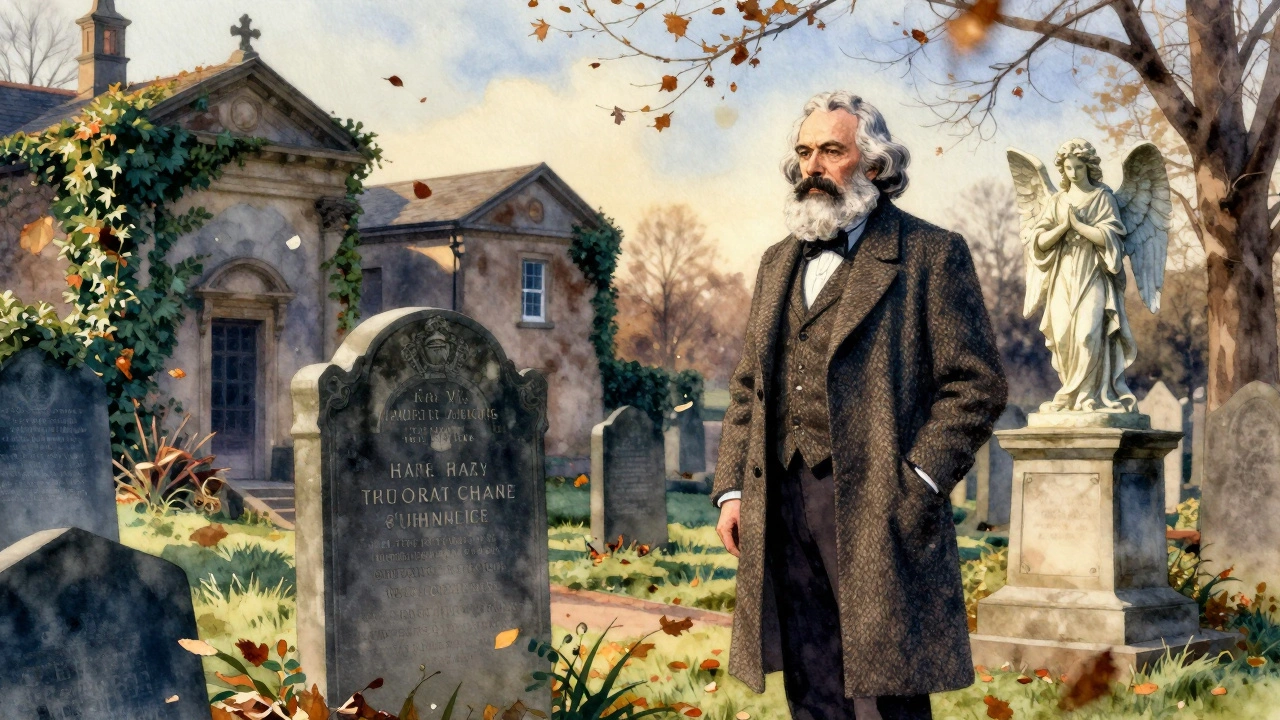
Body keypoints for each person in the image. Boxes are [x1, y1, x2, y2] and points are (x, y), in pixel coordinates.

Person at [711, 91, 1008, 720]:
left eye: (830, 151)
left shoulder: (930, 253)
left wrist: (919, 479)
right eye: (804, 152)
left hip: (879, 500)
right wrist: (734, 489)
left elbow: (976, 384)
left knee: (884, 691)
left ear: (873, 164)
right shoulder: (776, 261)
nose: (812, 166)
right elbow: (748, 385)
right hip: (783, 497)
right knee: (811, 678)